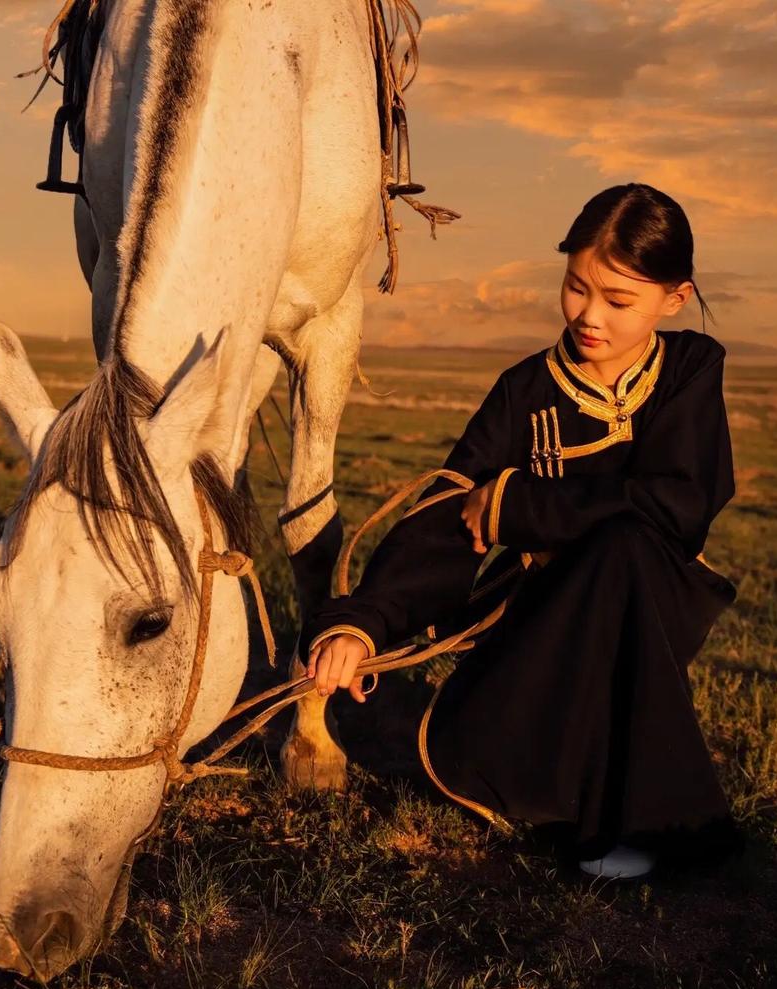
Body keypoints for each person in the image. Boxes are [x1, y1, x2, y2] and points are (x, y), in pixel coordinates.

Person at [298, 182, 744, 880]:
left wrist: (517, 506)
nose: (589, 316)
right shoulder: (524, 390)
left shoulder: (690, 370)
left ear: (674, 299)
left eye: (618, 301)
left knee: (623, 550)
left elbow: (679, 504)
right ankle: (555, 798)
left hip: (658, 597)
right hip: (541, 612)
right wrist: (362, 625)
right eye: (575, 288)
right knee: (598, 566)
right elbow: (448, 516)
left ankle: (663, 828)